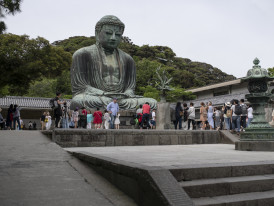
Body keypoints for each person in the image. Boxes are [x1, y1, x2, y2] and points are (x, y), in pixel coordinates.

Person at [70, 15, 157, 110]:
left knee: (153, 102)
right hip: (98, 97)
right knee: (77, 100)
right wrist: (103, 93)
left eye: (118, 35)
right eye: (108, 33)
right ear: (97, 33)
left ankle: (114, 105)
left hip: (122, 99)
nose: (113, 38)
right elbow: (81, 87)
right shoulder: (83, 54)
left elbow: (130, 88)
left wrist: (127, 93)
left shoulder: (128, 59)